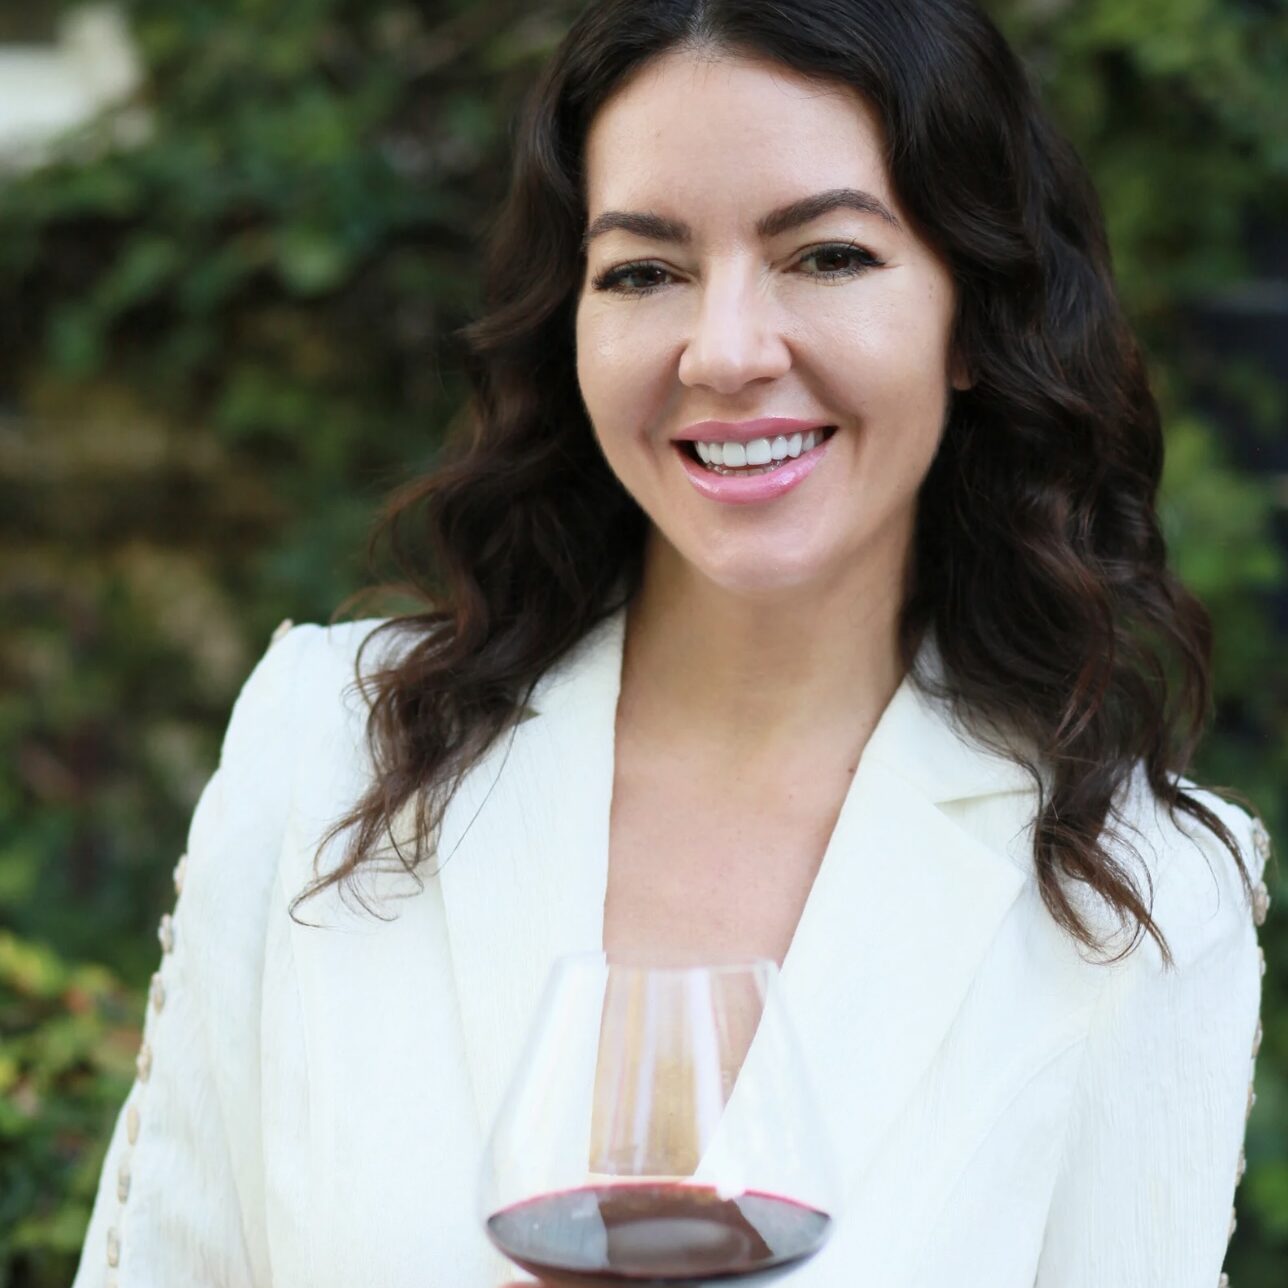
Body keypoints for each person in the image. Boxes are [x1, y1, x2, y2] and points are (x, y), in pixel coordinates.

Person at [71, 1, 1274, 1285]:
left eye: (826, 255)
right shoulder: (329, 744)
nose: (726, 351)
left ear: (970, 318)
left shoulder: (1136, 894)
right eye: (645, 271)